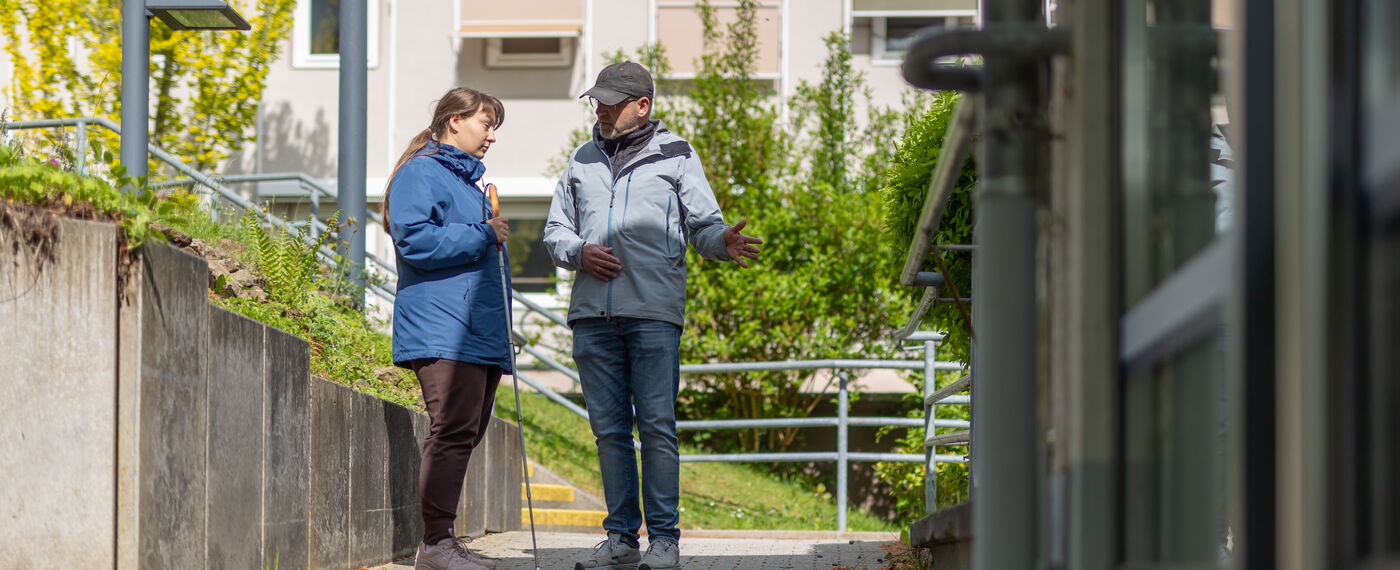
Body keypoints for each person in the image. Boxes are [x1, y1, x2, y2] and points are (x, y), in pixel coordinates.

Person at [544, 61, 763, 570]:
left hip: (654, 313)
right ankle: (621, 538)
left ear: (642, 106)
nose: (600, 108)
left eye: (611, 101)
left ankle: (664, 541)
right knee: (610, 431)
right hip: (592, 316)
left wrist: (722, 241)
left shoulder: (678, 155)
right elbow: (555, 229)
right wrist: (579, 252)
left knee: (658, 428)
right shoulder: (581, 159)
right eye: (597, 99)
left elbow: (704, 225)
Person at [385, 86, 509, 570]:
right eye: (485, 123)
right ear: (454, 121)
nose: (491, 136)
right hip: (443, 328)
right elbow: (414, 241)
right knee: (453, 430)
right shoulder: (421, 173)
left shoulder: (468, 186)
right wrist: (483, 232)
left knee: (466, 431)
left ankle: (441, 542)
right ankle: (435, 545)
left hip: (476, 331)